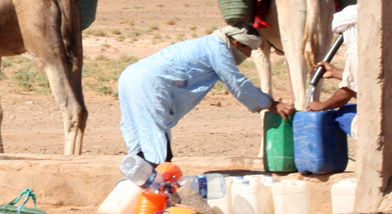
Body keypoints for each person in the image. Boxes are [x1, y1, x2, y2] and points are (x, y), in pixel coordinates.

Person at [118, 24, 295, 165]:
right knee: (156, 146)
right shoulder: (218, 48)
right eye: (248, 50)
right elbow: (237, 83)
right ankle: (156, 196)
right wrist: (272, 104)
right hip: (150, 82)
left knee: (142, 139)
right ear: (237, 43)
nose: (247, 55)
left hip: (130, 76)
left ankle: (139, 188)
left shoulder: (208, 44)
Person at [306, 4, 392, 157]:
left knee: (344, 113)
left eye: (342, 34)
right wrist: (335, 72)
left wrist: (323, 106)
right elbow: (374, 78)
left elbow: (345, 94)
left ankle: (378, 159)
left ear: (350, 29)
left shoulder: (359, 47)